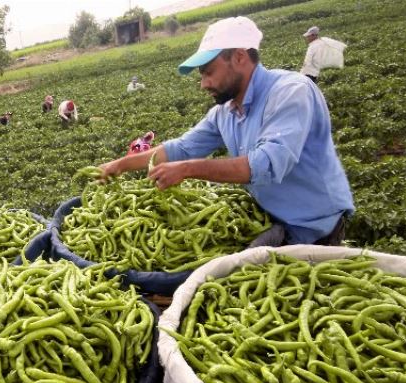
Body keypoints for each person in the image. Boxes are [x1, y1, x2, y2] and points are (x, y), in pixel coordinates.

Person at [98, 16, 354, 246]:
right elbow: (182, 148)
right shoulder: (226, 111)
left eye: (209, 72)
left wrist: (187, 169)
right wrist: (120, 165)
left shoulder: (291, 92)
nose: (203, 84)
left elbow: (266, 164)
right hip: (269, 215)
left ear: (239, 57)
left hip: (314, 227)